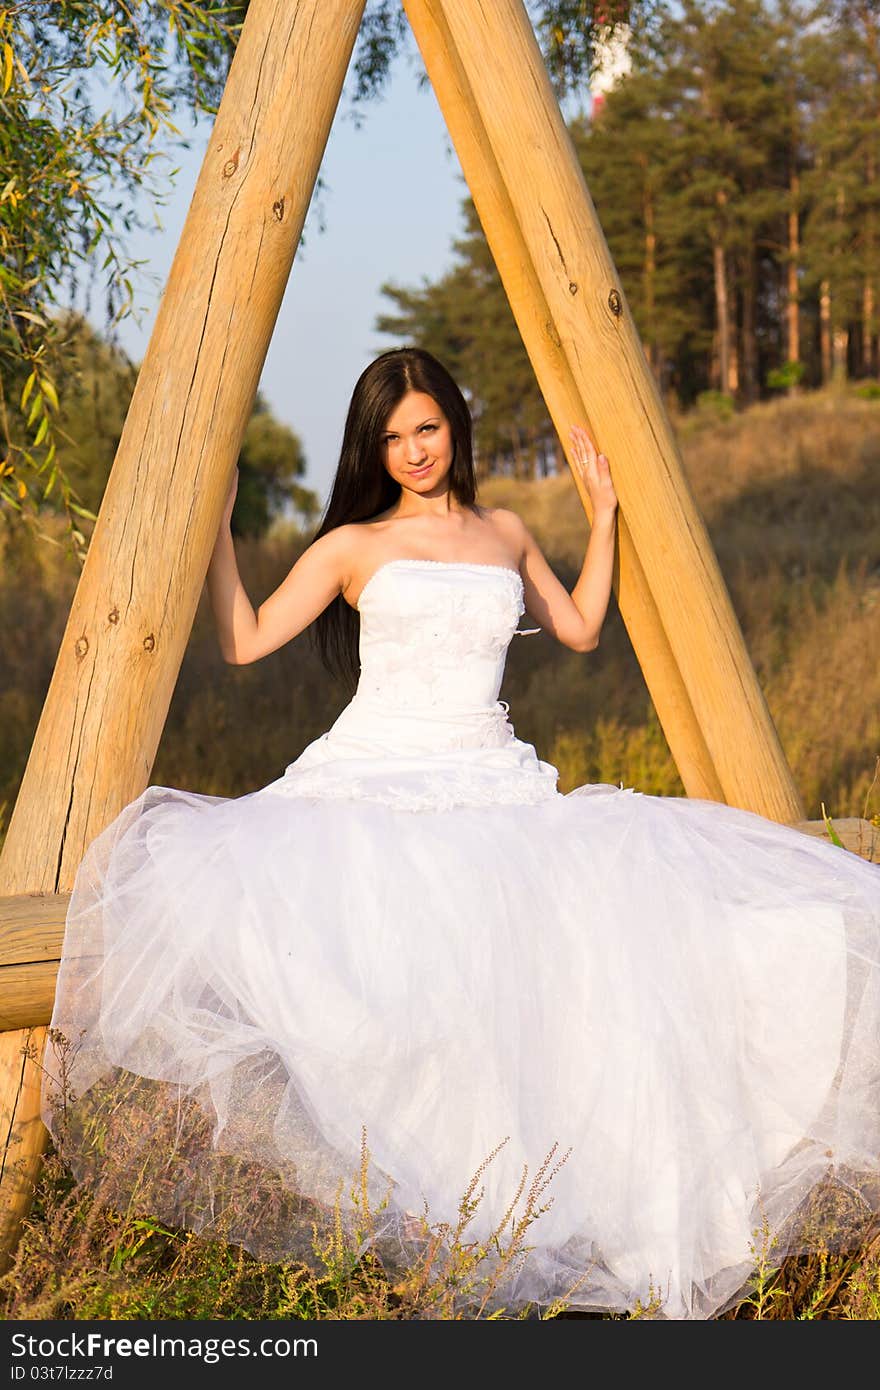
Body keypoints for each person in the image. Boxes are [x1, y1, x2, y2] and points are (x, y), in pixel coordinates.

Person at [42, 347, 880, 1321]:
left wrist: (605, 518)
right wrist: (220, 531)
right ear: (374, 447)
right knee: (401, 989)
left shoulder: (507, 530)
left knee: (587, 968)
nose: (412, 451)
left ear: (455, 424)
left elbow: (578, 627)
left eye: (426, 428)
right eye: (392, 438)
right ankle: (458, 1203)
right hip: (373, 775)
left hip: (494, 776)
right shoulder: (352, 545)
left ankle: (566, 1203)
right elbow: (243, 639)